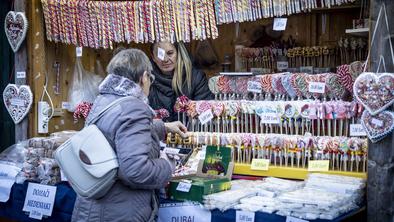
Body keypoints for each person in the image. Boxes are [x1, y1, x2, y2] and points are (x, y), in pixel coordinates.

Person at [71, 49, 187, 222]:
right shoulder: (134, 108)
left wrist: (162, 127)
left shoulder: (104, 99)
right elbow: (136, 171)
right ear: (143, 77)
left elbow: (116, 133)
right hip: (119, 212)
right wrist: (167, 165)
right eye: (150, 78)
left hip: (94, 209)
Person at [149, 41, 214, 121]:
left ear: (178, 53)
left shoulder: (195, 78)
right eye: (160, 54)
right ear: (153, 57)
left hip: (190, 132)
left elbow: (206, 115)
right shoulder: (146, 81)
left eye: (170, 53)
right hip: (158, 132)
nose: (165, 59)